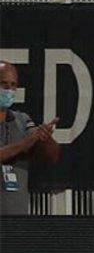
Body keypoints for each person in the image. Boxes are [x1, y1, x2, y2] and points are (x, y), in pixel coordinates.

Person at [0, 61, 59, 216]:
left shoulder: (22, 120)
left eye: (13, 85)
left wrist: (45, 137)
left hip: (17, 221)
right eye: (3, 84)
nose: (9, 90)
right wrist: (24, 143)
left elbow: (52, 156)